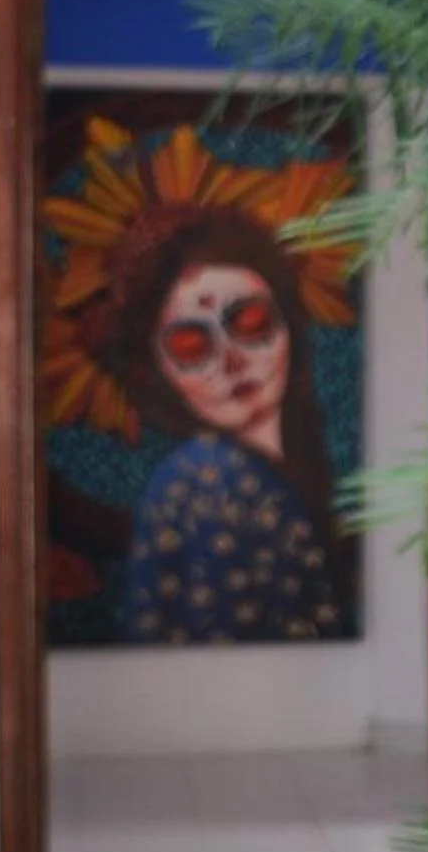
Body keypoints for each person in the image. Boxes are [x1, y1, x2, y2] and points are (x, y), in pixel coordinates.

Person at [108, 207, 350, 643]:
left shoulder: (286, 467)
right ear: (159, 372)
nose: (232, 359)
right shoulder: (211, 476)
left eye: (250, 322)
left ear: (288, 321)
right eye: (191, 345)